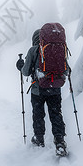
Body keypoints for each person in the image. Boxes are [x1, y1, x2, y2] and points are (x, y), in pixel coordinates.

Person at [16, 28, 68, 156]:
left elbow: (26, 71)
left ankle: (39, 139)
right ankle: (60, 141)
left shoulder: (33, 50)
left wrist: (20, 65)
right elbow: (66, 70)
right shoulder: (59, 48)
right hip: (55, 88)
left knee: (38, 114)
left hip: (38, 89)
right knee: (56, 113)